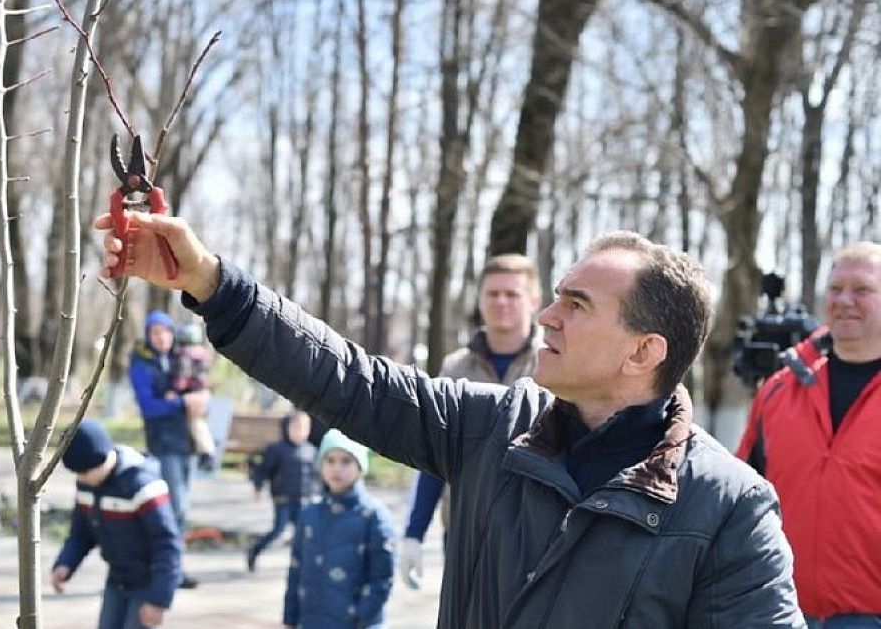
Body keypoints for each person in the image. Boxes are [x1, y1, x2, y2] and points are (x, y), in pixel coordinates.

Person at [96, 211, 804, 627]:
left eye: (578, 306)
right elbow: (349, 380)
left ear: (644, 351)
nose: (545, 317)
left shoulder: (729, 508)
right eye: (554, 296)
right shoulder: (491, 425)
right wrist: (213, 286)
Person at [736, 241, 881, 628]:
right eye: (836, 289)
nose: (845, 300)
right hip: (778, 609)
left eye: (862, 289)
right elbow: (742, 495)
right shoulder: (779, 389)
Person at [400, 253, 542, 590]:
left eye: (513, 293)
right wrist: (414, 532)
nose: (501, 301)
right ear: (479, 299)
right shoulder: (456, 369)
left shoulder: (552, 363)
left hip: (533, 529)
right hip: (465, 526)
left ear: (534, 300)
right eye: (492, 293)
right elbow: (435, 452)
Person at [50, 421, 182, 629]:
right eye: (78, 474)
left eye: (85, 472)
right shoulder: (87, 484)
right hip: (117, 578)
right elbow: (81, 532)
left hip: (148, 582)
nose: (81, 479)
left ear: (103, 459)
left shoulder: (142, 485)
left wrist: (158, 600)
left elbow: (167, 543)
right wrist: (66, 563)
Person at [283, 429, 394, 629]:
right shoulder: (310, 513)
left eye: (346, 461)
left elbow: (382, 579)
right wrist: (290, 618)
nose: (337, 468)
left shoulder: (373, 516)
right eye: (330, 460)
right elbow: (296, 568)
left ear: (360, 466)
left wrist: (362, 617)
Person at [128, 309, 207, 589]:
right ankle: (166, 569)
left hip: (186, 442)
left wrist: (198, 398)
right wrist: (181, 403)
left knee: (180, 510)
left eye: (166, 332)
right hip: (164, 444)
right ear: (148, 336)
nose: (162, 338)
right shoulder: (141, 363)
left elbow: (197, 383)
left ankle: (172, 568)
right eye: (156, 333)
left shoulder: (179, 358)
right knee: (174, 508)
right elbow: (149, 407)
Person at [246, 410, 318, 572]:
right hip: (283, 499)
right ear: (287, 428)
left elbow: (316, 476)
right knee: (278, 530)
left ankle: (301, 564)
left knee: (304, 533)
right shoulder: (276, 449)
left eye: (304, 428)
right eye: (296, 427)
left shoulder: (311, 450)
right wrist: (258, 487)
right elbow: (263, 471)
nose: (300, 432)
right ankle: (255, 549)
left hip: (304, 499)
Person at [171, 323, 218, 472]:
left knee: (194, 423)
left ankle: (207, 454)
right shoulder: (202, 352)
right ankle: (202, 452)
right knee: (197, 423)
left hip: (192, 393)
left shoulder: (185, 354)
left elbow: (183, 376)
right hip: (203, 392)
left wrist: (176, 388)